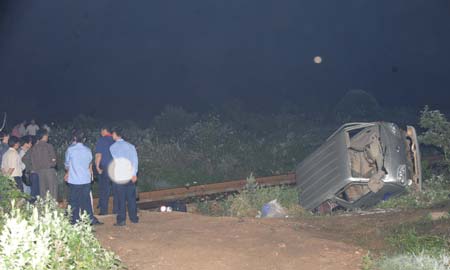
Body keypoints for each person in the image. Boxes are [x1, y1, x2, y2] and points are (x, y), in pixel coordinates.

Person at [64, 130, 102, 225]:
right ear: (84, 139)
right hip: (85, 179)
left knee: (74, 201)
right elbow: (89, 163)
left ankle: (74, 220)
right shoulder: (88, 150)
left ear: (74, 138)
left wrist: (68, 172)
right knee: (86, 201)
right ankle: (89, 219)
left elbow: (67, 164)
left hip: (74, 180)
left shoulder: (70, 150)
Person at [110, 127, 139, 226]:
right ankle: (134, 218)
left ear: (116, 134)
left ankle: (121, 220)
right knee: (131, 198)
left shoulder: (112, 147)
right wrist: (134, 174)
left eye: (112, 134)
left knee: (120, 199)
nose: (112, 135)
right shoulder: (131, 146)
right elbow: (135, 161)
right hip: (129, 175)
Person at [24, 129, 57, 199]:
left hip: (39, 172)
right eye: (47, 135)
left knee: (43, 193)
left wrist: (31, 168)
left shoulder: (34, 148)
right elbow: (54, 161)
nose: (48, 137)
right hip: (49, 171)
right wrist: (52, 163)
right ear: (44, 136)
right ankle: (53, 208)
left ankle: (44, 208)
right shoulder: (49, 146)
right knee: (52, 192)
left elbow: (24, 158)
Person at [95, 127, 116, 215]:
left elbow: (98, 155)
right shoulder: (115, 140)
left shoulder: (101, 140)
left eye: (101, 131)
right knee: (116, 189)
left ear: (104, 130)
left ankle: (104, 211)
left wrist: (97, 167)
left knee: (104, 189)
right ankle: (117, 210)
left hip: (105, 167)